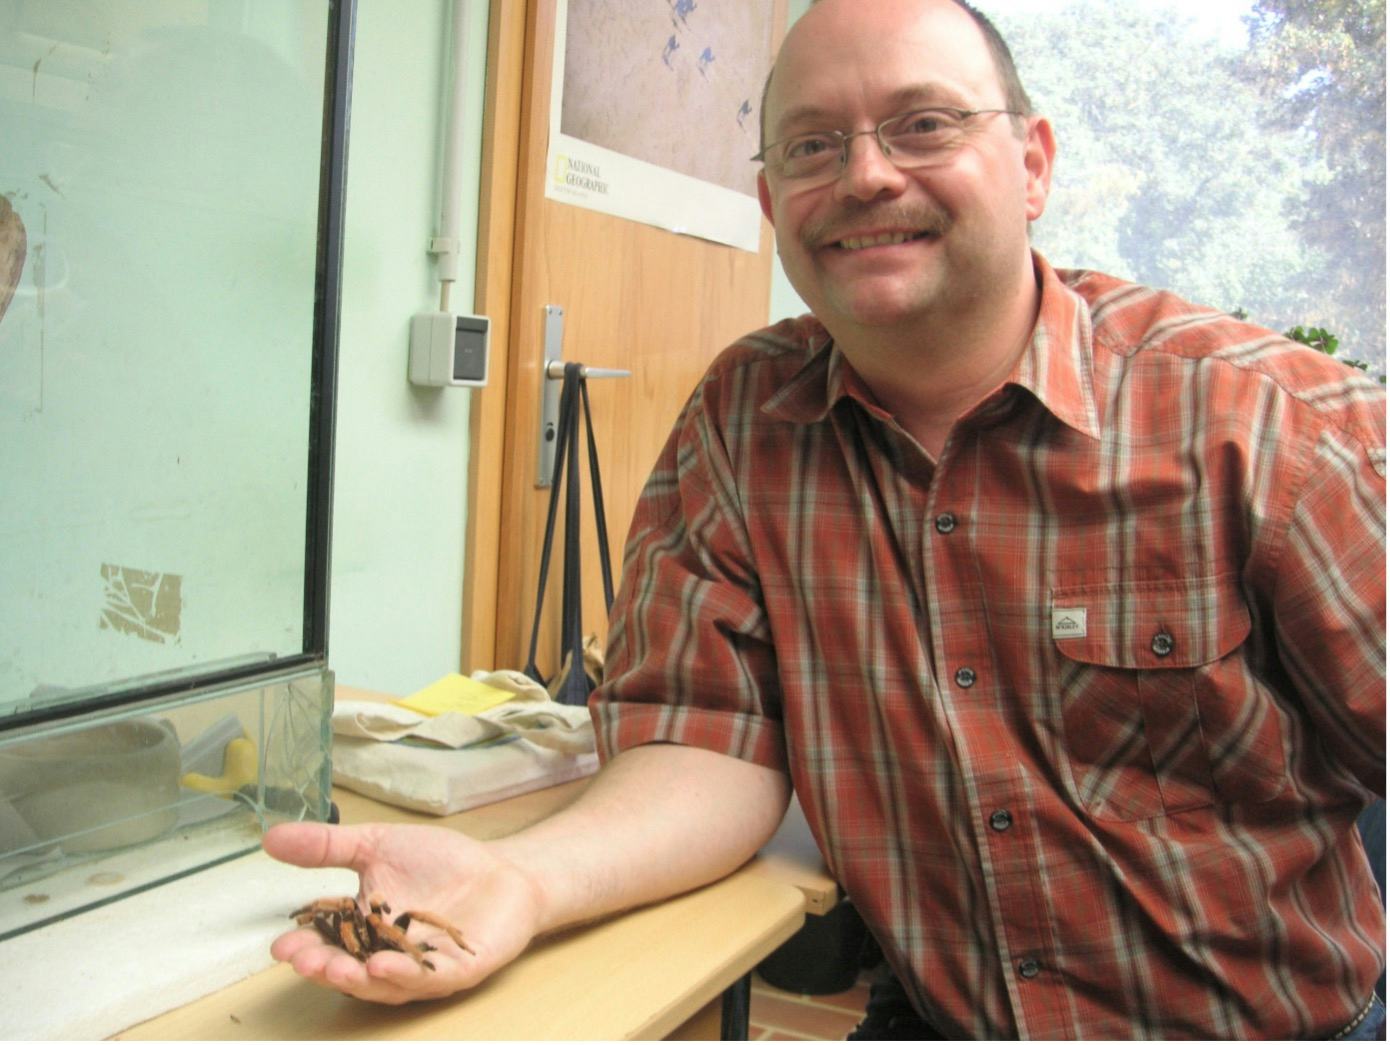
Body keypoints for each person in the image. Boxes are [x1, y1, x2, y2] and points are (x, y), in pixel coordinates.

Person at [264, 0, 1386, 1036]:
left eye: (922, 124)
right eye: (811, 146)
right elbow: (704, 743)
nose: (863, 176)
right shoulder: (745, 420)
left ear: (1032, 163)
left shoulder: (1273, 425)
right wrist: (523, 878)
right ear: (768, 202)